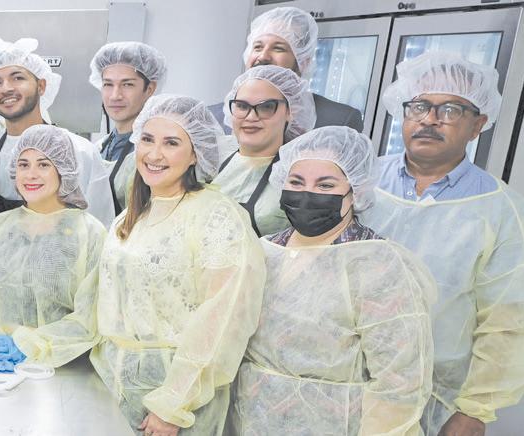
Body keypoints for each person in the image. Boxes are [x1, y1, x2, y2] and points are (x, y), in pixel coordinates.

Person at [361, 51, 524, 436]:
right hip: (339, 380)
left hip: (431, 399)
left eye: (450, 110)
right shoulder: (359, 181)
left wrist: (475, 410)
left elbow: (508, 322)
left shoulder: (501, 209)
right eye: (419, 106)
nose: (429, 119)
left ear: (478, 125)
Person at [231, 126, 435, 435]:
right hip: (250, 421)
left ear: (356, 192)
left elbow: (400, 380)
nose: (307, 194)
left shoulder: (378, 264)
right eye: (296, 182)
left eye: (325, 185)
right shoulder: (265, 251)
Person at [92, 94, 263, 436]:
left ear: (195, 153)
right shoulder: (130, 218)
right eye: (147, 139)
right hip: (113, 384)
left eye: (171, 143)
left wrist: (174, 402)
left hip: (177, 402)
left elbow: (223, 317)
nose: (154, 154)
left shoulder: (216, 216)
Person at [0, 125, 103, 372]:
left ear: (63, 170)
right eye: (23, 165)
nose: (31, 174)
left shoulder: (90, 234)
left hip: (64, 370)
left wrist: (31, 345)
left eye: (43, 165)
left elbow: (91, 316)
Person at [0, 38, 113, 224]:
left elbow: (101, 224)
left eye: (18, 78)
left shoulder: (80, 150)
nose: (6, 88)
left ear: (41, 86)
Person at [207, 7, 363, 133]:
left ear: (303, 61)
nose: (263, 56)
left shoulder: (338, 122)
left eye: (278, 48)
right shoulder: (212, 118)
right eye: (258, 47)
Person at [212, 65, 315, 236]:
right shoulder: (211, 156)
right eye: (242, 106)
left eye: (266, 107)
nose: (251, 117)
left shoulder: (298, 174)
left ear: (291, 111)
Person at [89, 41, 167, 215]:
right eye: (108, 84)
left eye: (127, 84)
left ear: (150, 89)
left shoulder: (154, 152)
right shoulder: (99, 147)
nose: (115, 95)